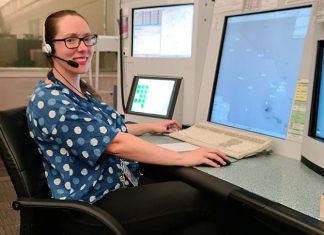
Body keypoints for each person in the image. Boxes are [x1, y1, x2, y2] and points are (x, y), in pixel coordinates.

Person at [26, 9, 229, 235]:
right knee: (199, 198)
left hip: (117, 184)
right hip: (91, 204)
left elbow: (100, 130)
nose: (83, 47)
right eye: (70, 40)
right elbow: (115, 143)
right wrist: (183, 157)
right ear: (49, 47)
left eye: (86, 38)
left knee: (204, 226)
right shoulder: (50, 101)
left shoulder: (75, 89)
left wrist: (150, 127)